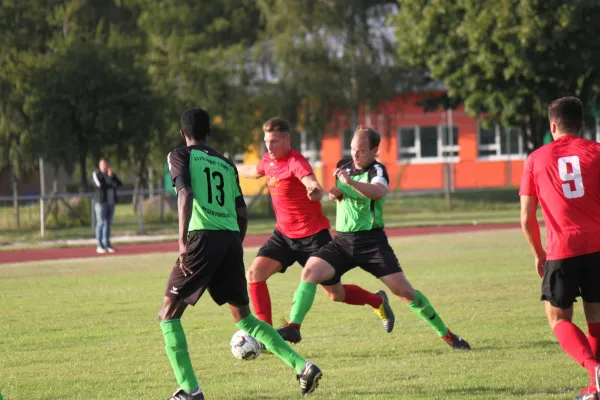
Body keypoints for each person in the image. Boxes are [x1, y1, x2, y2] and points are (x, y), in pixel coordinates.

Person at [158, 109, 322, 400]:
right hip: (231, 239)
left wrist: (183, 243)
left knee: (168, 315)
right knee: (245, 319)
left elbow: (185, 194)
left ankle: (190, 390)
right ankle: (302, 366)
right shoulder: (225, 163)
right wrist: (234, 243)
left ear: (183, 134)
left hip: (201, 238)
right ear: (209, 133)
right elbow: (242, 212)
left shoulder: (179, 155)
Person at [277, 125, 471, 351]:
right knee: (310, 272)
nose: (354, 154)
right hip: (342, 241)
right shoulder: (343, 166)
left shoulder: (377, 170)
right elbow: (333, 194)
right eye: (352, 149)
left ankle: (447, 335)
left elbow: (379, 192)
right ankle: (294, 327)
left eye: (360, 150)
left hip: (372, 243)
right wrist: (327, 193)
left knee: (405, 293)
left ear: (374, 151)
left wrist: (349, 183)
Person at [237, 117, 395, 342]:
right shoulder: (268, 161)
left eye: (274, 142)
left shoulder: (296, 161)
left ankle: (377, 301)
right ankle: (268, 337)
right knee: (254, 274)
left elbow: (310, 181)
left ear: (286, 139)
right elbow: (254, 170)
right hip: (283, 235)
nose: (269, 147)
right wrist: (227, 166)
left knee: (335, 294)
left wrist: (313, 189)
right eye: (266, 142)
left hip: (312, 236)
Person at [519, 96, 600, 400]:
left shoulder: (537, 159)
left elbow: (526, 218)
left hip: (562, 248)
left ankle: (594, 373)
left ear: (553, 126)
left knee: (558, 320)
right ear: (582, 125)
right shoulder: (597, 152)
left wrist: (538, 254)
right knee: (596, 317)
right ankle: (595, 388)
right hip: (598, 246)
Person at [92, 158, 122, 254]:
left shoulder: (110, 174)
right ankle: (99, 245)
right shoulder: (97, 174)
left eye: (106, 164)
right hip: (101, 202)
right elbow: (99, 185)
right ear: (100, 165)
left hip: (110, 201)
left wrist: (112, 176)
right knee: (101, 222)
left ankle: (107, 244)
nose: (105, 166)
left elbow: (119, 183)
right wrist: (110, 183)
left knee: (108, 223)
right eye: (103, 164)